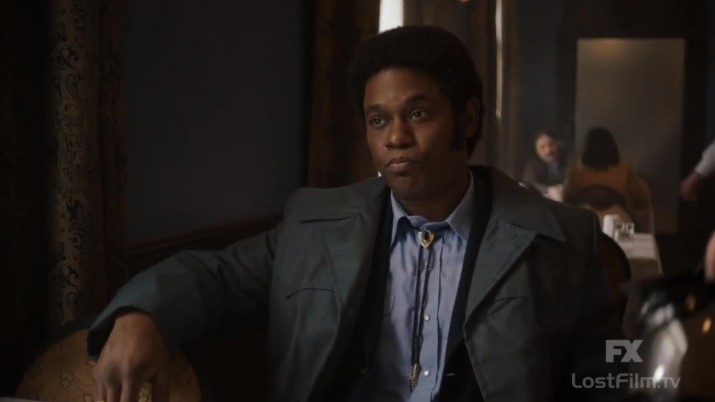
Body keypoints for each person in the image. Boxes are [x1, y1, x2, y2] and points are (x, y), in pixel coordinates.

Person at [90, 26, 624, 402]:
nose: (396, 138)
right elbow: (217, 277)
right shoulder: (315, 225)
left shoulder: (559, 236)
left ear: (467, 118)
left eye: (418, 113)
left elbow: (613, 371)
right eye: (378, 120)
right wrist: (142, 314)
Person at [562, 126, 652, 232]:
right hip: (618, 221)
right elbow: (643, 197)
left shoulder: (576, 172)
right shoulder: (625, 170)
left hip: (584, 222)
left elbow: (566, 199)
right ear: (613, 148)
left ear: (585, 149)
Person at [521, 129, 570, 200]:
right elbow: (530, 182)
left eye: (551, 144)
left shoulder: (569, 159)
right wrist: (548, 190)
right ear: (536, 150)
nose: (548, 150)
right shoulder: (532, 164)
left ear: (557, 144)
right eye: (542, 147)